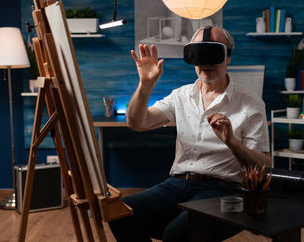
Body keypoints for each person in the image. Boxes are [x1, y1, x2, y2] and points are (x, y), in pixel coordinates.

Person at [109, 26, 271, 242]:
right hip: (176, 184)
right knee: (121, 212)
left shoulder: (250, 103)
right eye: (199, 54)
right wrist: (145, 85)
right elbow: (137, 123)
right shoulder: (181, 96)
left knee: (177, 234)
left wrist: (232, 142)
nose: (206, 62)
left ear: (228, 57)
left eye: (214, 54)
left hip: (222, 190)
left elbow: (263, 167)